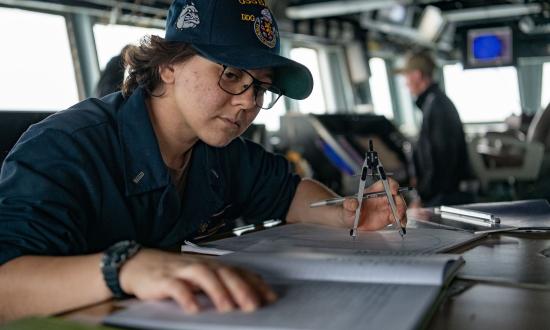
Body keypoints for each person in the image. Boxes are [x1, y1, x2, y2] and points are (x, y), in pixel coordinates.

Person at [0, 0, 406, 321]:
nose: (249, 102)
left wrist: (349, 212)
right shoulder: (65, 149)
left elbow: (289, 194)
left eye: (260, 87)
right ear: (168, 65)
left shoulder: (219, 150)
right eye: (231, 75)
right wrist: (125, 269)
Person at [395, 51, 470, 207]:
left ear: (416, 75)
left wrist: (422, 198)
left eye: (406, 77)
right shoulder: (433, 102)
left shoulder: (437, 107)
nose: (406, 83)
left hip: (442, 198)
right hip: (439, 194)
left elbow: (439, 162)